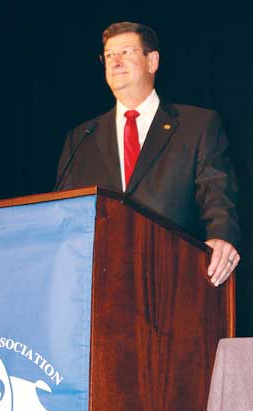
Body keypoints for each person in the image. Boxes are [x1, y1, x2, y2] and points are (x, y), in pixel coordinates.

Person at [55, 21, 240, 286]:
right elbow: (65, 211)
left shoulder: (197, 125)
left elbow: (216, 193)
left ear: (152, 61)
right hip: (99, 283)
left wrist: (221, 237)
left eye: (126, 52)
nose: (115, 61)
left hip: (175, 277)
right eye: (108, 55)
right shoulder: (82, 137)